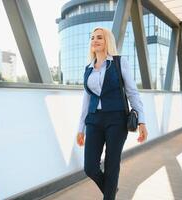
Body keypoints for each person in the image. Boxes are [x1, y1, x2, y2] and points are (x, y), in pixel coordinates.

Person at [76, 27, 148, 200]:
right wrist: (81, 129)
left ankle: (109, 196)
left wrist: (142, 121)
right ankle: (110, 190)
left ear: (107, 40)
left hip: (116, 119)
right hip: (94, 120)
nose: (95, 40)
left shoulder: (118, 62)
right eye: (92, 37)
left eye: (99, 37)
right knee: (90, 167)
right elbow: (86, 100)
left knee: (111, 164)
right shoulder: (88, 68)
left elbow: (132, 92)